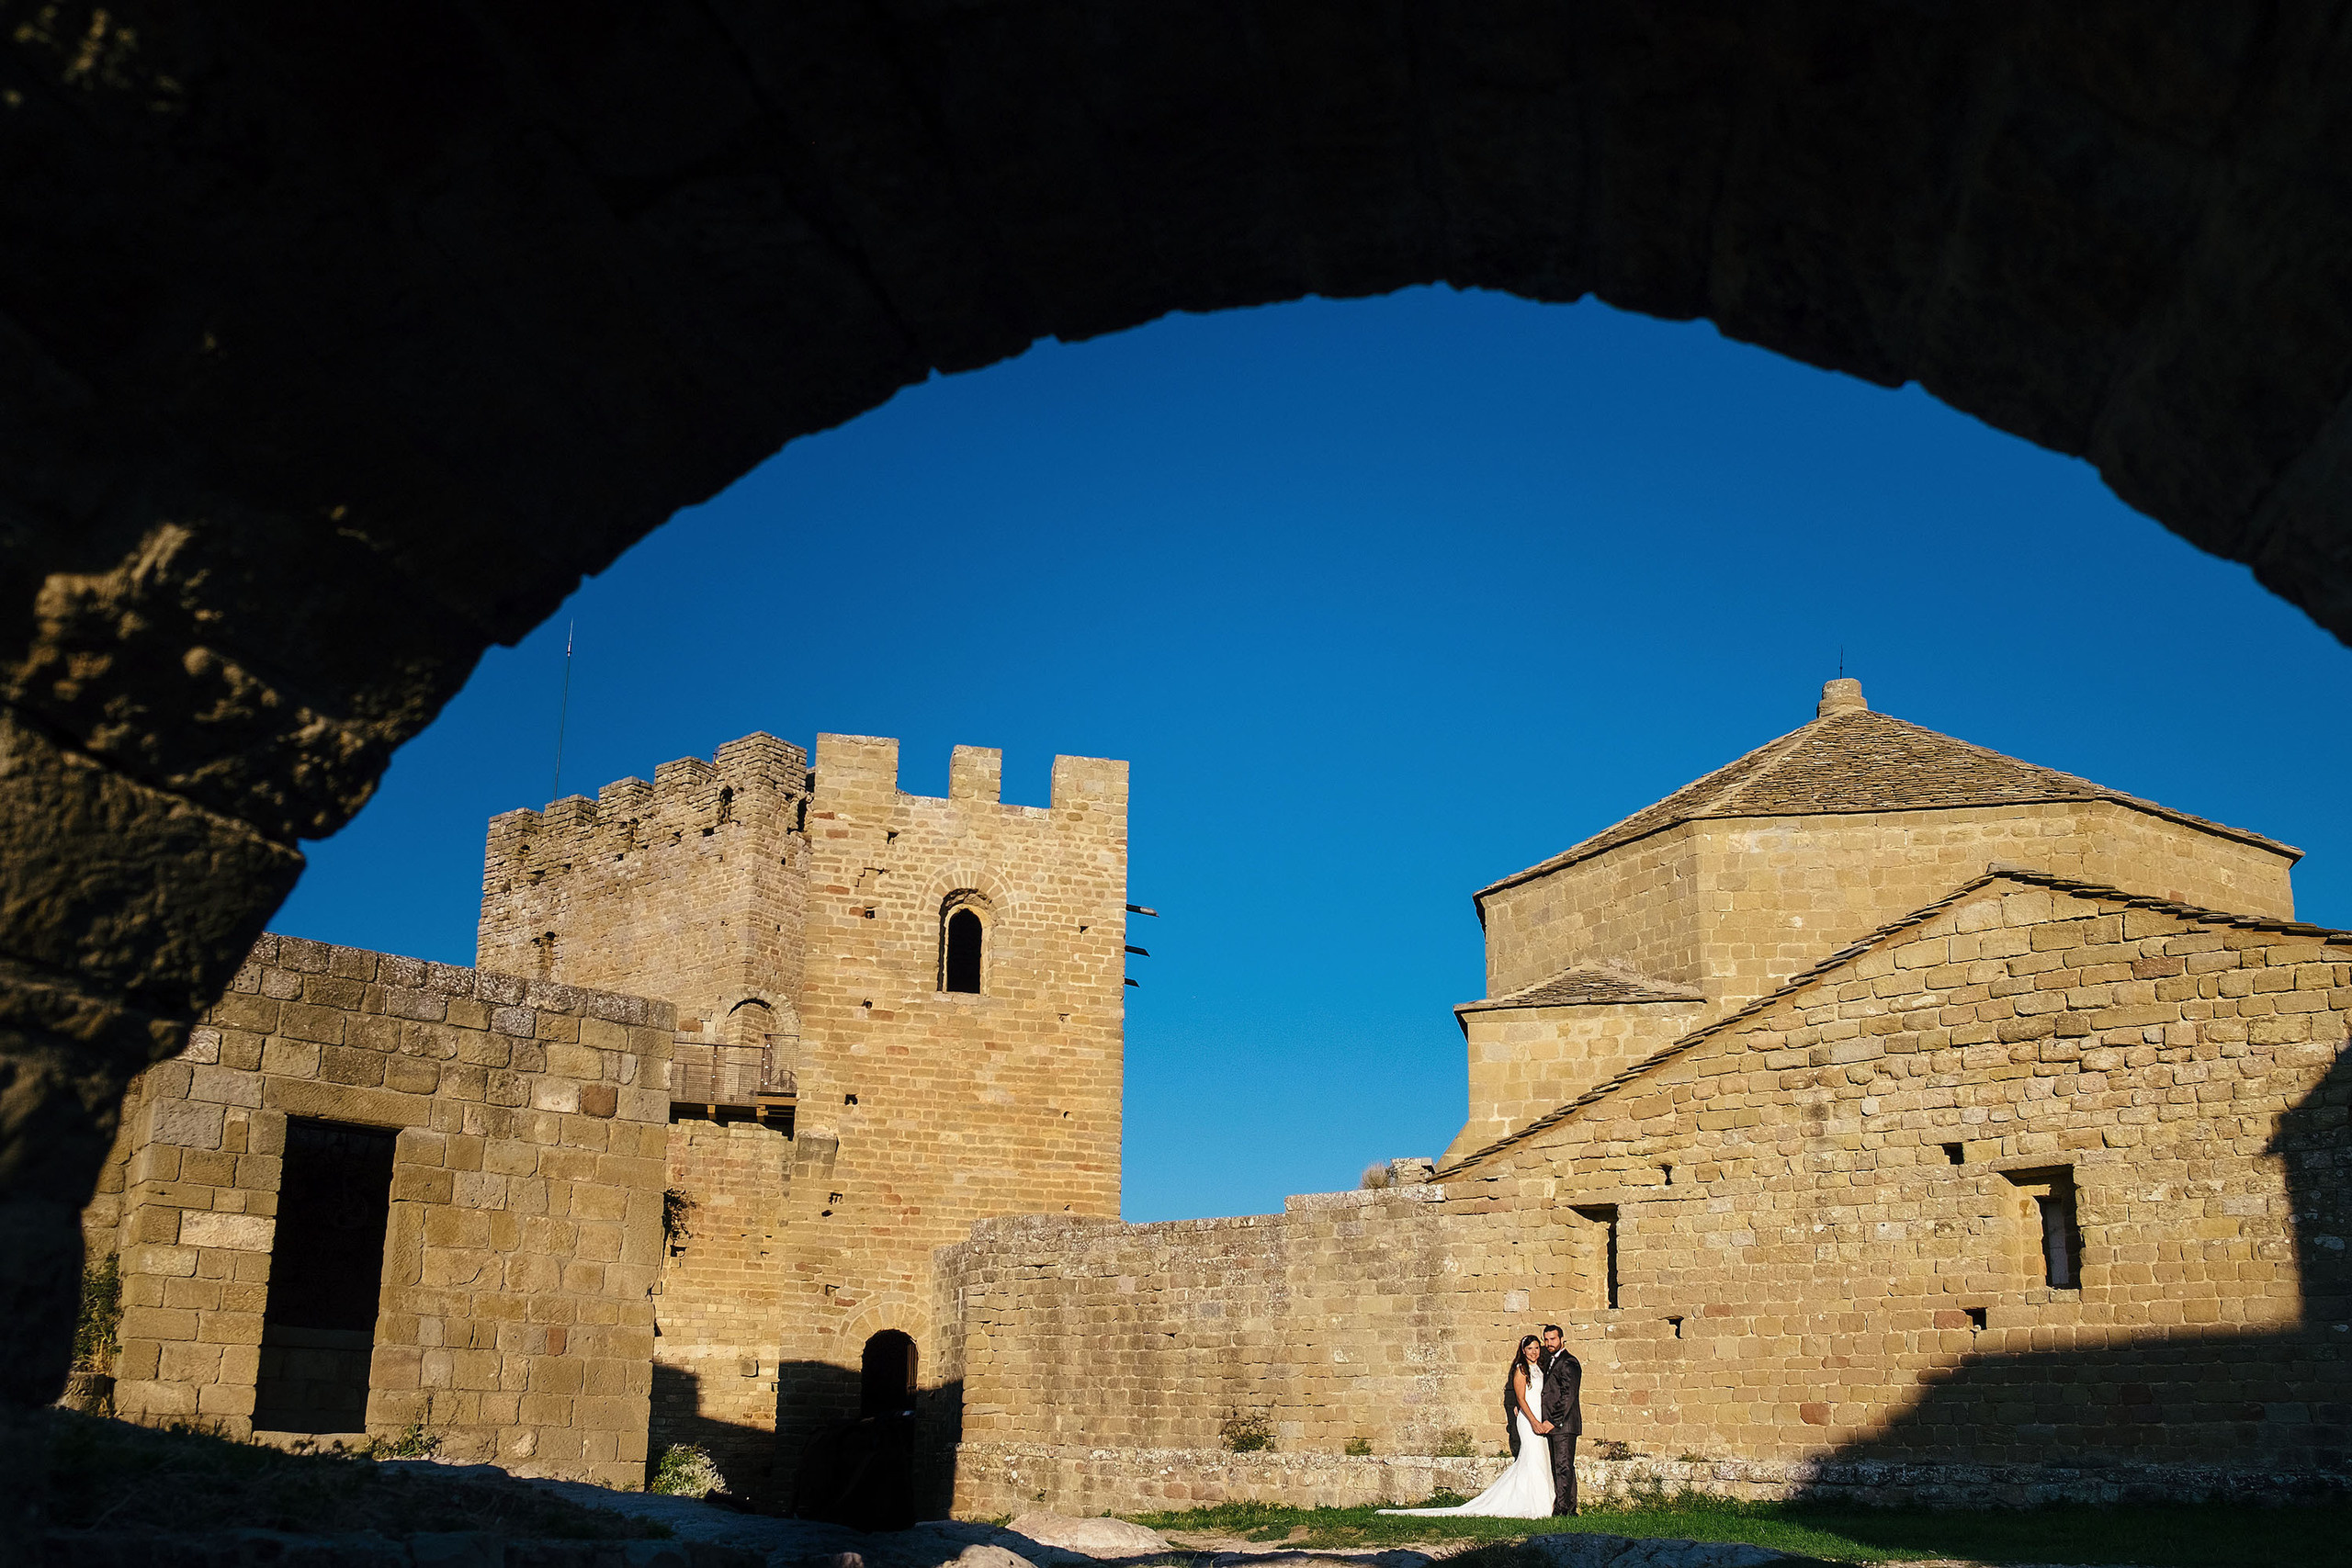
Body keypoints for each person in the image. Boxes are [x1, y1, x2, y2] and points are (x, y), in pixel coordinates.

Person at [1376, 1335, 1560, 1518]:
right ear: (1523, 1351)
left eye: (1537, 1348)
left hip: (1539, 1418)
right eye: (1530, 1349)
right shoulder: (1521, 1369)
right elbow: (1521, 1399)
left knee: (1540, 1457)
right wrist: (1534, 1422)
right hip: (1529, 1421)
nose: (1534, 1352)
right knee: (1532, 1457)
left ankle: (1542, 1500)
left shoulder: (1539, 1368)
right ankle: (1532, 1503)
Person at [1537, 1324, 1582, 1516]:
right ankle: (1569, 1508)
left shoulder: (1568, 1362)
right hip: (1557, 1425)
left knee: (1563, 1467)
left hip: (1564, 1425)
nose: (1549, 1343)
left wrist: (1552, 1421)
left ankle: (1563, 1510)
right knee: (1563, 1466)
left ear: (1562, 1339)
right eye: (1546, 1340)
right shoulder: (1551, 1361)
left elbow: (1567, 1396)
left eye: (1553, 1339)